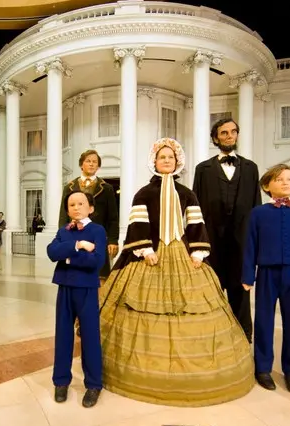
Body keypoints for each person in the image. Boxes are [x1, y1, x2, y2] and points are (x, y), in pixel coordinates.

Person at [100, 138, 254, 407]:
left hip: (180, 251)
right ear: (154, 161)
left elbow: (195, 221)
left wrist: (197, 251)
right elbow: (138, 223)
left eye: (171, 157)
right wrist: (146, 249)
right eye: (162, 157)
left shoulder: (187, 193)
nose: (167, 161)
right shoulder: (143, 193)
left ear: (178, 161)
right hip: (152, 251)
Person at [193, 118, 261, 343]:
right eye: (224, 133)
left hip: (242, 243)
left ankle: (243, 342)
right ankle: (210, 342)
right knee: (210, 293)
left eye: (233, 132)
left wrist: (256, 243)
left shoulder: (251, 168)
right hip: (211, 243)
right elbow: (195, 210)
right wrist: (195, 243)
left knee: (241, 293)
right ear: (215, 138)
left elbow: (256, 207)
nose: (229, 136)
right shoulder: (202, 169)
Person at [47, 191, 107, 407]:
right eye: (72, 204)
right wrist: (78, 246)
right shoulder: (65, 230)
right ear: (67, 209)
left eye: (81, 203)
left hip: (87, 289)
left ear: (90, 207)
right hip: (65, 287)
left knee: (90, 336)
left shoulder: (97, 230)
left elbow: (97, 261)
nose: (76, 207)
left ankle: (93, 384)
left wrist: (68, 258)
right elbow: (52, 252)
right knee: (63, 335)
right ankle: (60, 381)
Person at [242, 164, 290, 392]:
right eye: (280, 179)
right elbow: (250, 246)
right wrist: (248, 275)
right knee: (264, 321)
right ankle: (262, 367)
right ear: (267, 185)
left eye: (289, 179)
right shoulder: (258, 213)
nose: (285, 182)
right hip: (267, 274)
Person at [58, 149, 119, 279]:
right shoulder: (69, 187)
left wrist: (113, 240)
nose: (91, 164)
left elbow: (113, 217)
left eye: (95, 162)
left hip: (98, 237)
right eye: (88, 161)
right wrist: (62, 237)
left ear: (98, 166)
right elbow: (63, 214)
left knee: (99, 277)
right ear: (81, 165)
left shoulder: (106, 188)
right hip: (74, 235)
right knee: (74, 274)